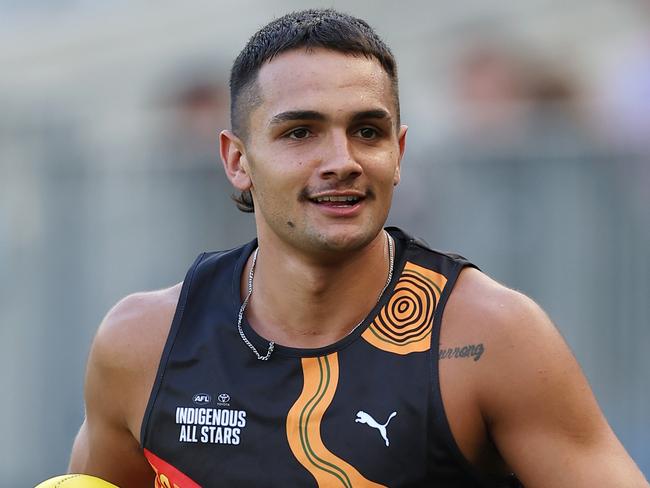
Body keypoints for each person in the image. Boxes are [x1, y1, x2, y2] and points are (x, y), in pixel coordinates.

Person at [68, 9, 648, 488]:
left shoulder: (488, 338)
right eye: (300, 133)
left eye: (367, 132)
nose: (342, 161)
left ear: (398, 152)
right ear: (237, 160)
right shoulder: (144, 344)